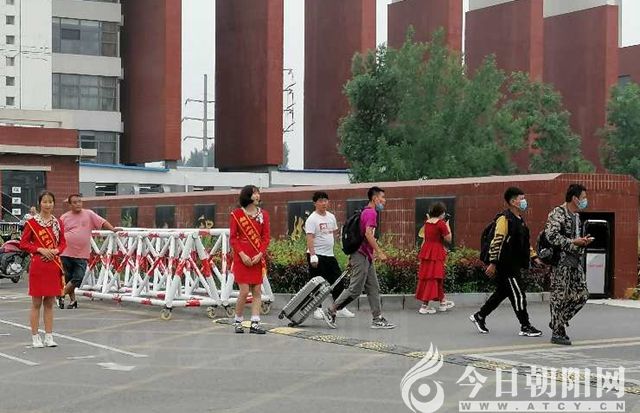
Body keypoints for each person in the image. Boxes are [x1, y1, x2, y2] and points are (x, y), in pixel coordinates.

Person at [470, 187, 543, 337]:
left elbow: (524, 243)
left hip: (514, 263)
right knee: (518, 294)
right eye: (521, 198)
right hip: (506, 265)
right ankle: (525, 325)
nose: (524, 201)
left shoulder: (520, 220)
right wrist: (493, 263)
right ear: (513, 201)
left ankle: (480, 316)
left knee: (502, 292)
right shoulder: (504, 219)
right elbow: (497, 241)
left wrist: (534, 256)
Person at [323, 186, 395, 329]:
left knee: (373, 288)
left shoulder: (366, 212)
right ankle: (331, 310)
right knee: (355, 289)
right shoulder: (371, 213)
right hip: (361, 256)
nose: (384, 201)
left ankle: (377, 318)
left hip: (365, 256)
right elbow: (368, 234)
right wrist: (379, 251)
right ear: (374, 198)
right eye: (382, 198)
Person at [545, 184, 592, 345]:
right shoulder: (557, 213)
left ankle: (557, 322)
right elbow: (551, 236)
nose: (585, 200)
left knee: (583, 295)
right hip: (561, 263)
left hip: (575, 262)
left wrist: (583, 242)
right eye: (583, 197)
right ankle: (557, 332)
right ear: (574, 198)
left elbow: (575, 238)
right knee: (559, 297)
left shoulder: (577, 217)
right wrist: (573, 242)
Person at [20, 191, 66, 348]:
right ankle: (35, 337)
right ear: (40, 203)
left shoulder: (57, 223)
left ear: (54, 203)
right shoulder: (32, 223)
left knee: (50, 303)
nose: (48, 205)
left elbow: (63, 243)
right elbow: (24, 244)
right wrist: (40, 249)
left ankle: (49, 336)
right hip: (38, 265)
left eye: (50, 202)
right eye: (45, 202)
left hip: (53, 264)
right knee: (36, 302)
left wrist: (55, 251)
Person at [58, 194, 118, 309]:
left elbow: (102, 222)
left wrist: (112, 229)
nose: (78, 204)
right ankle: (73, 301)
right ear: (70, 205)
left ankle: (61, 294)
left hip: (81, 253)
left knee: (78, 277)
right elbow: (58, 233)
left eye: (79, 201)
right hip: (65, 252)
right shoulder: (64, 217)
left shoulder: (89, 214)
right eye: (75, 202)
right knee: (68, 278)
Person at [305, 191, 355, 320]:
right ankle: (317, 309)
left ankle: (339, 307)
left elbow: (334, 234)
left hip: (329, 255)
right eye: (320, 201)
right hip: (317, 255)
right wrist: (313, 255)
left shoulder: (331, 217)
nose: (323, 203)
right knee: (317, 283)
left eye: (325, 200)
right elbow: (309, 237)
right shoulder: (312, 219)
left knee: (338, 281)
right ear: (315, 203)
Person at [229, 185, 270, 334]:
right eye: (254, 193)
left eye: (258, 193)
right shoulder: (237, 214)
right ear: (247, 196)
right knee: (244, 291)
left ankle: (255, 323)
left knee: (257, 290)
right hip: (242, 258)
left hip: (257, 257)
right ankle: (238, 321)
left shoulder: (264, 214)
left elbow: (266, 237)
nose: (257, 196)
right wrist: (242, 254)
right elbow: (233, 238)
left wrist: (260, 254)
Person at [416, 202, 454, 314]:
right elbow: (448, 239)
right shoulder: (441, 224)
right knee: (434, 277)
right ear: (441, 213)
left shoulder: (427, 223)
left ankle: (442, 302)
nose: (444, 214)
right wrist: (447, 225)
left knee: (430, 277)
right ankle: (425, 306)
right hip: (436, 252)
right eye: (444, 212)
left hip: (426, 251)